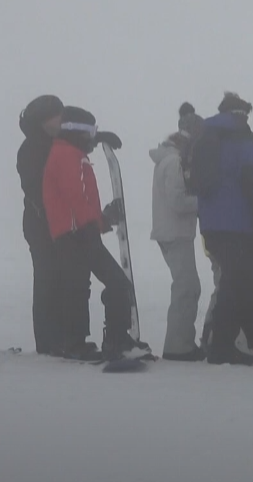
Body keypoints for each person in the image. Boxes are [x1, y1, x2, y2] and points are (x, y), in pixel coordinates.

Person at [43, 106, 144, 360]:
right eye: (90, 132)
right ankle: (115, 340)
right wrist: (97, 222)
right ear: (78, 132)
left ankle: (75, 342)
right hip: (77, 232)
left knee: (77, 287)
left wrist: (98, 221)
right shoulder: (69, 156)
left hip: (73, 231)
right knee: (117, 284)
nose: (92, 137)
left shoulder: (67, 151)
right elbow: (75, 195)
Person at [190, 93, 253, 365]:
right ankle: (223, 346)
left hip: (211, 224)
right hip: (238, 222)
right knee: (238, 283)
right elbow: (252, 179)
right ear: (242, 114)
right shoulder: (242, 140)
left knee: (235, 280)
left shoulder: (207, 138)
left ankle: (244, 341)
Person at [150, 103, 205, 362]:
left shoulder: (168, 159)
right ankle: (178, 346)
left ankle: (181, 342)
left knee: (187, 287)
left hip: (172, 232)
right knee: (186, 287)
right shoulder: (174, 163)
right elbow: (178, 202)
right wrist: (204, 202)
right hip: (176, 233)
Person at [17, 95, 65, 355]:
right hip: (41, 224)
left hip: (49, 222)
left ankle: (58, 336)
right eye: (57, 115)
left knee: (57, 279)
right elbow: (36, 188)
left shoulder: (52, 144)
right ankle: (48, 341)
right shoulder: (33, 149)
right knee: (47, 279)